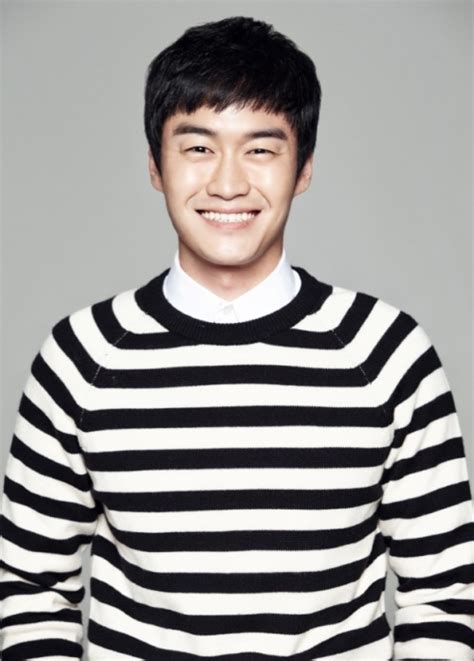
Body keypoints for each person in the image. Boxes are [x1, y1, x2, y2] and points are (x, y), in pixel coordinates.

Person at [0, 15, 472, 660]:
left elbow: (444, 595)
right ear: (155, 165)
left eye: (261, 149)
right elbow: (29, 589)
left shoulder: (387, 352)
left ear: (303, 168)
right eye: (198, 148)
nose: (228, 184)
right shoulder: (82, 356)